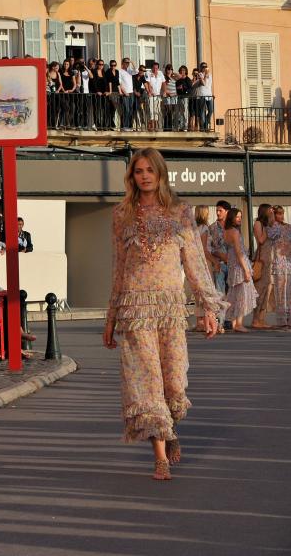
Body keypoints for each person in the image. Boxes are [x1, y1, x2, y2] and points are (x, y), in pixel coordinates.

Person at [104, 148, 225, 481]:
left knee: (173, 383)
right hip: (135, 308)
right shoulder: (121, 214)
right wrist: (111, 316)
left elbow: (196, 265)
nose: (144, 176)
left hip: (170, 309)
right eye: (138, 171)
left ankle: (170, 429)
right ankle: (159, 456)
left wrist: (208, 309)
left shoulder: (180, 213)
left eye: (149, 170)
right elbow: (118, 267)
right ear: (132, 176)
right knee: (147, 382)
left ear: (160, 174)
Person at [224, 208, 257, 332]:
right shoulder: (235, 232)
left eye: (240, 217)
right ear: (231, 217)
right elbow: (239, 252)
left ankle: (233, 322)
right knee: (242, 294)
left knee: (234, 294)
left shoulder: (226, 231)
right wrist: (246, 270)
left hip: (232, 265)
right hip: (239, 265)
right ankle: (238, 323)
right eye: (237, 217)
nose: (239, 219)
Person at [251, 204, 277, 329]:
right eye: (270, 210)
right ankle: (255, 319)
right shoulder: (258, 223)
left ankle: (261, 319)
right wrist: (267, 229)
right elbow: (260, 240)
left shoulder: (268, 225)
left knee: (266, 290)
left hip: (269, 259)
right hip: (261, 259)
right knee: (259, 290)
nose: (272, 212)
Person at [207, 200, 231, 327]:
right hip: (220, 264)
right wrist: (218, 255)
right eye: (216, 210)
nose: (217, 213)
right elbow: (208, 248)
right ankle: (220, 321)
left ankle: (230, 319)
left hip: (232, 264)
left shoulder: (233, 227)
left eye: (220, 210)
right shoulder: (212, 228)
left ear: (227, 211)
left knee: (232, 292)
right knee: (220, 292)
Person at [272, 205, 291, 328]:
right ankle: (282, 320)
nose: (281, 216)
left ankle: (289, 319)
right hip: (278, 262)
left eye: (282, 213)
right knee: (280, 291)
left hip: (288, 261)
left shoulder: (288, 227)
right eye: (278, 213)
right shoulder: (271, 228)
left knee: (289, 291)